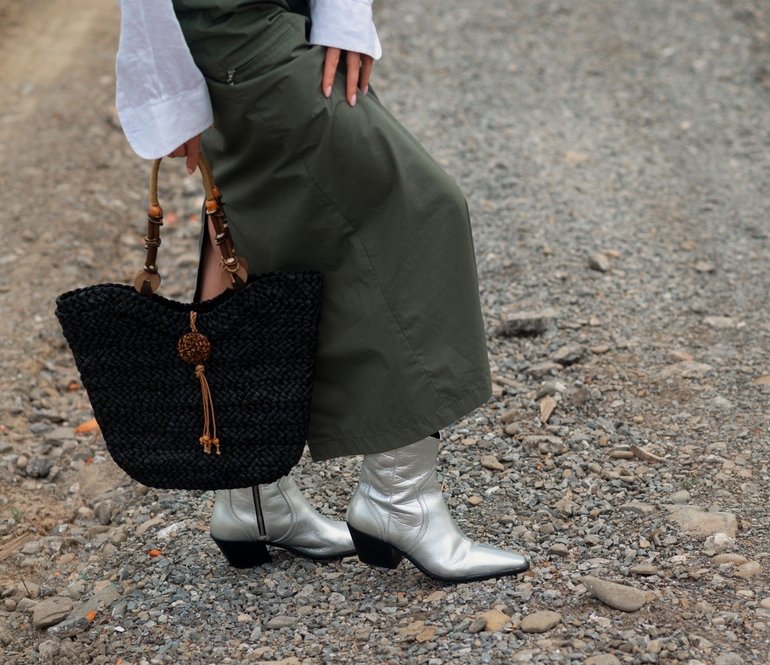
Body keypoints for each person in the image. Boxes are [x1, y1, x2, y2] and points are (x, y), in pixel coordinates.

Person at [114, 0, 529, 582]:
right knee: (422, 208)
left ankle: (251, 497)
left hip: (260, 27)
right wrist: (164, 85)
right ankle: (399, 500)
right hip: (245, 27)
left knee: (247, 242)